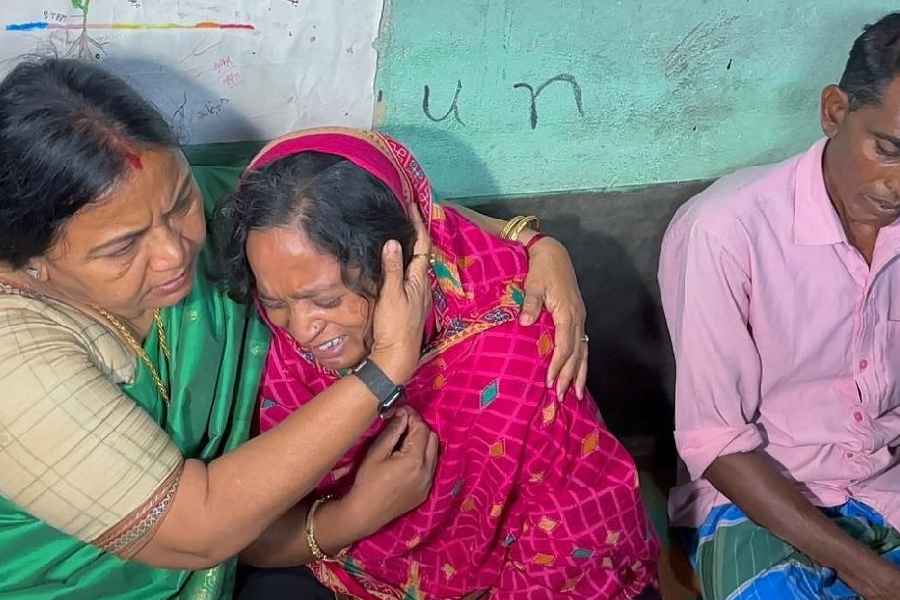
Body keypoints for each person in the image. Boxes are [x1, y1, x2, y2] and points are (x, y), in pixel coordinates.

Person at [0, 57, 589, 599]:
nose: (175, 252)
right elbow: (195, 529)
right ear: (28, 259)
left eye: (180, 202)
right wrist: (383, 371)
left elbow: (366, 212)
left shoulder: (195, 209)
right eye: (123, 247)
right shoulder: (14, 358)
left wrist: (532, 244)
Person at [218, 127, 660, 600]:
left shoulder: (513, 331)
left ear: (402, 260)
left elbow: (568, 522)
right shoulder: (261, 346)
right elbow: (235, 527)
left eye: (326, 300)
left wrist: (539, 243)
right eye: (276, 302)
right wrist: (353, 518)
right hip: (339, 560)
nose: (303, 328)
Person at [659, 12, 900, 600]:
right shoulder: (725, 231)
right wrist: (873, 576)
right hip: (761, 503)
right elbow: (716, 443)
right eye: (890, 149)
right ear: (834, 111)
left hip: (885, 486)